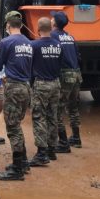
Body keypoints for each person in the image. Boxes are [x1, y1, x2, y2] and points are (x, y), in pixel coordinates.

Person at [0, 11, 33, 181]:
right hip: (25, 86)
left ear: (8, 26)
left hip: (14, 86)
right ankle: (23, 162)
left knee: (12, 126)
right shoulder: (28, 42)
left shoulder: (6, 41)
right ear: (21, 26)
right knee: (17, 124)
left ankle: (17, 168)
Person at [29, 17, 62, 165]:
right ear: (51, 28)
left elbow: (29, 66)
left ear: (38, 28)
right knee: (52, 116)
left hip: (41, 84)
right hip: (55, 83)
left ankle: (41, 153)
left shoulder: (34, 45)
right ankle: (52, 149)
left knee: (39, 117)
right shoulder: (58, 45)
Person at [51, 12, 83, 151]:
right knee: (73, 107)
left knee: (57, 109)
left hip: (65, 75)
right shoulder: (70, 36)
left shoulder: (53, 36)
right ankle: (76, 138)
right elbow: (78, 56)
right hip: (76, 74)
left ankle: (63, 142)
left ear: (54, 23)